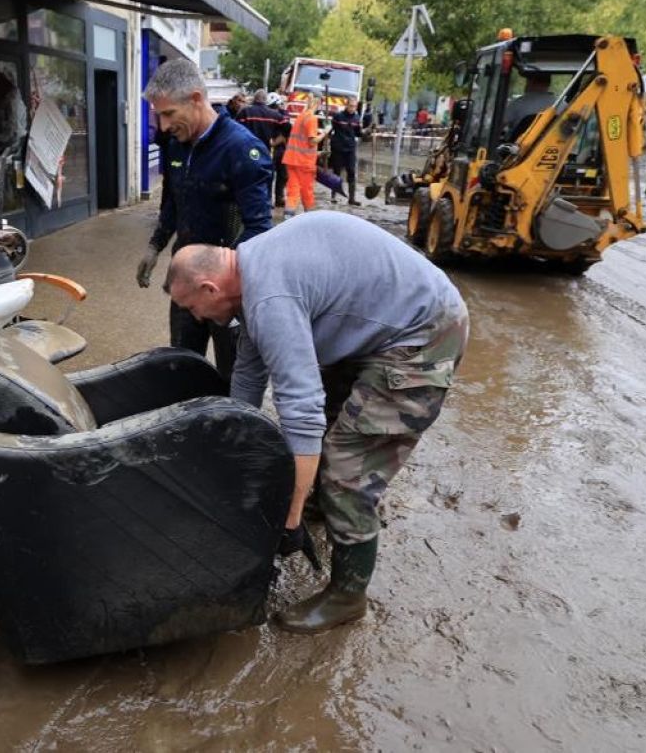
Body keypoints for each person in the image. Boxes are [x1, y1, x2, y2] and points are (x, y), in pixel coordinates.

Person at [164, 212, 469, 633]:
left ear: (209, 287)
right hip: (380, 323)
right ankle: (318, 505)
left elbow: (300, 411)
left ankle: (347, 596)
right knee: (328, 431)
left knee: (347, 468)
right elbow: (249, 377)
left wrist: (288, 521)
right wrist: (231, 454)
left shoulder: (270, 299)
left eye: (190, 307)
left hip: (422, 335)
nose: (195, 318)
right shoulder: (252, 272)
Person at [135, 59, 272, 381]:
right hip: (186, 278)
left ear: (196, 99)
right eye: (159, 116)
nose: (164, 126)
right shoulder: (176, 146)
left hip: (226, 286)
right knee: (182, 365)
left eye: (169, 114)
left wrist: (229, 282)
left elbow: (259, 229)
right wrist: (155, 246)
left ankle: (232, 426)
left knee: (235, 374)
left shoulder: (241, 149)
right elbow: (173, 201)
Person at [283, 94, 324, 218]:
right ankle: (310, 219)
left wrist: (318, 153)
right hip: (304, 162)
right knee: (307, 192)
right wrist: (324, 133)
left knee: (293, 190)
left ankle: (288, 217)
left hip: (292, 159)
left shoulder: (301, 116)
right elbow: (312, 141)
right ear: (318, 103)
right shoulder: (312, 118)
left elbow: (302, 141)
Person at [328, 99, 364, 207]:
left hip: (350, 149)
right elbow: (331, 129)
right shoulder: (338, 116)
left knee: (351, 172)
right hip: (338, 148)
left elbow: (358, 133)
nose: (352, 108)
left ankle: (352, 198)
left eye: (354, 106)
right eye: (350, 106)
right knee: (336, 172)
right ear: (346, 105)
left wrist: (367, 132)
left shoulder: (357, 118)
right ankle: (333, 196)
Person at [501, 72, 554, 143]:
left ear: (530, 82)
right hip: (550, 149)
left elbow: (498, 126)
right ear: (548, 84)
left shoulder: (518, 103)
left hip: (517, 149)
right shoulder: (562, 105)